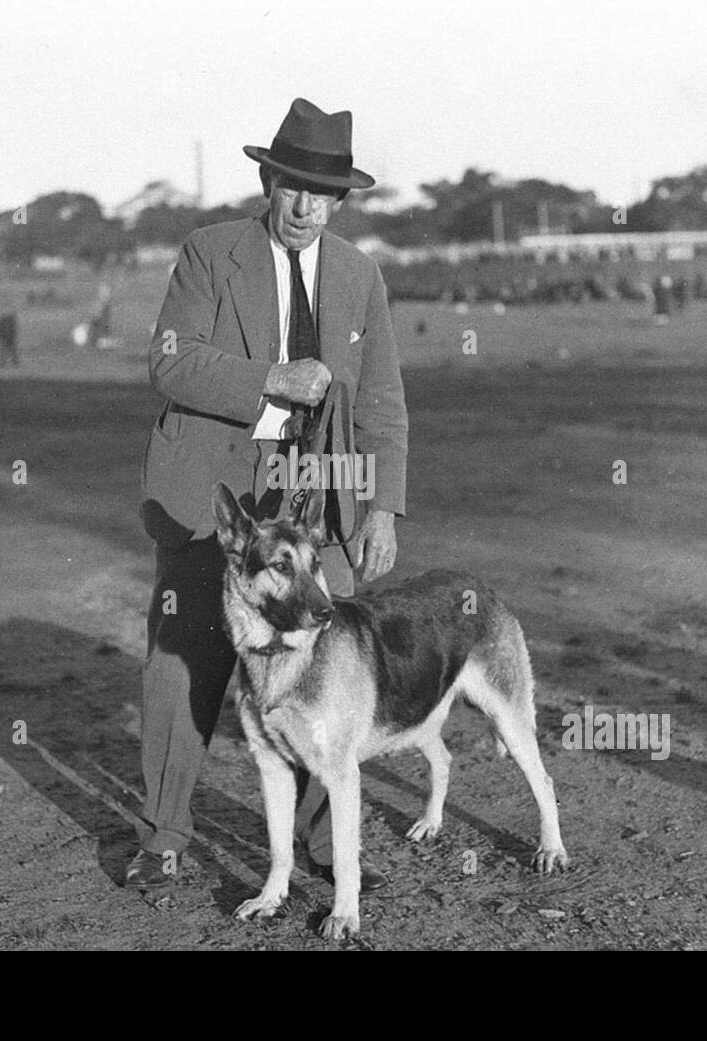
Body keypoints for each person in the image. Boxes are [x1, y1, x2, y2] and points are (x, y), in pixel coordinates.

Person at [131, 98, 408, 890]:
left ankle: (323, 849)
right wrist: (269, 381)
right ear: (268, 178)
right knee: (185, 662)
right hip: (211, 494)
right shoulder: (210, 253)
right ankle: (162, 838)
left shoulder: (359, 276)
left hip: (317, 492)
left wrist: (381, 504)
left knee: (328, 670)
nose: (304, 207)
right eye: (292, 187)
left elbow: (383, 402)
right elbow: (172, 361)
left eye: (323, 195)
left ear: (341, 199)